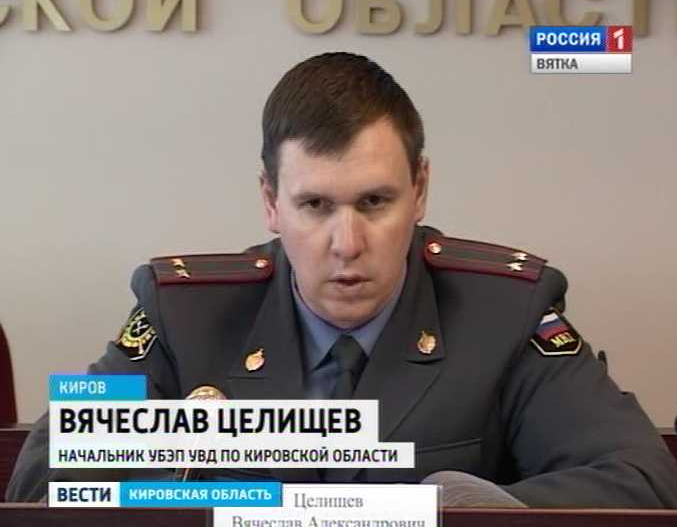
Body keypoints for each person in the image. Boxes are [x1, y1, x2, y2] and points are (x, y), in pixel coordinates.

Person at [7, 52, 677, 507]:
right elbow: (46, 478)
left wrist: (466, 509)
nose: (347, 244)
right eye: (315, 205)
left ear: (419, 190)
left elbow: (641, 479)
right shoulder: (182, 312)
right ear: (271, 202)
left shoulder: (504, 311)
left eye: (375, 202)